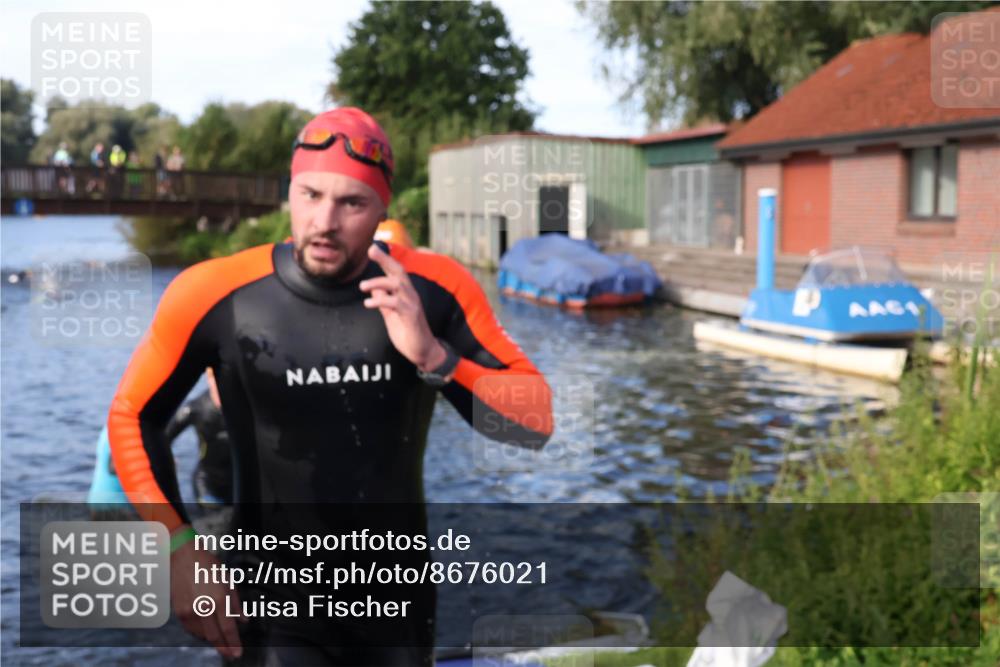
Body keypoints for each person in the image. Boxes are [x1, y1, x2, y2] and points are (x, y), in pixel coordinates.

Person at [107, 107, 552, 665]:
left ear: (382, 209)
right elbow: (133, 415)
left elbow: (535, 424)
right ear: (289, 193)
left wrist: (435, 357)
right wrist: (176, 549)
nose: (324, 221)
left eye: (352, 203)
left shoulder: (434, 290)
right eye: (310, 195)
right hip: (269, 604)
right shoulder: (216, 294)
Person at [88, 368, 233, 514]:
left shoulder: (114, 425)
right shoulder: (126, 427)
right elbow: (114, 467)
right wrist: (160, 462)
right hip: (115, 507)